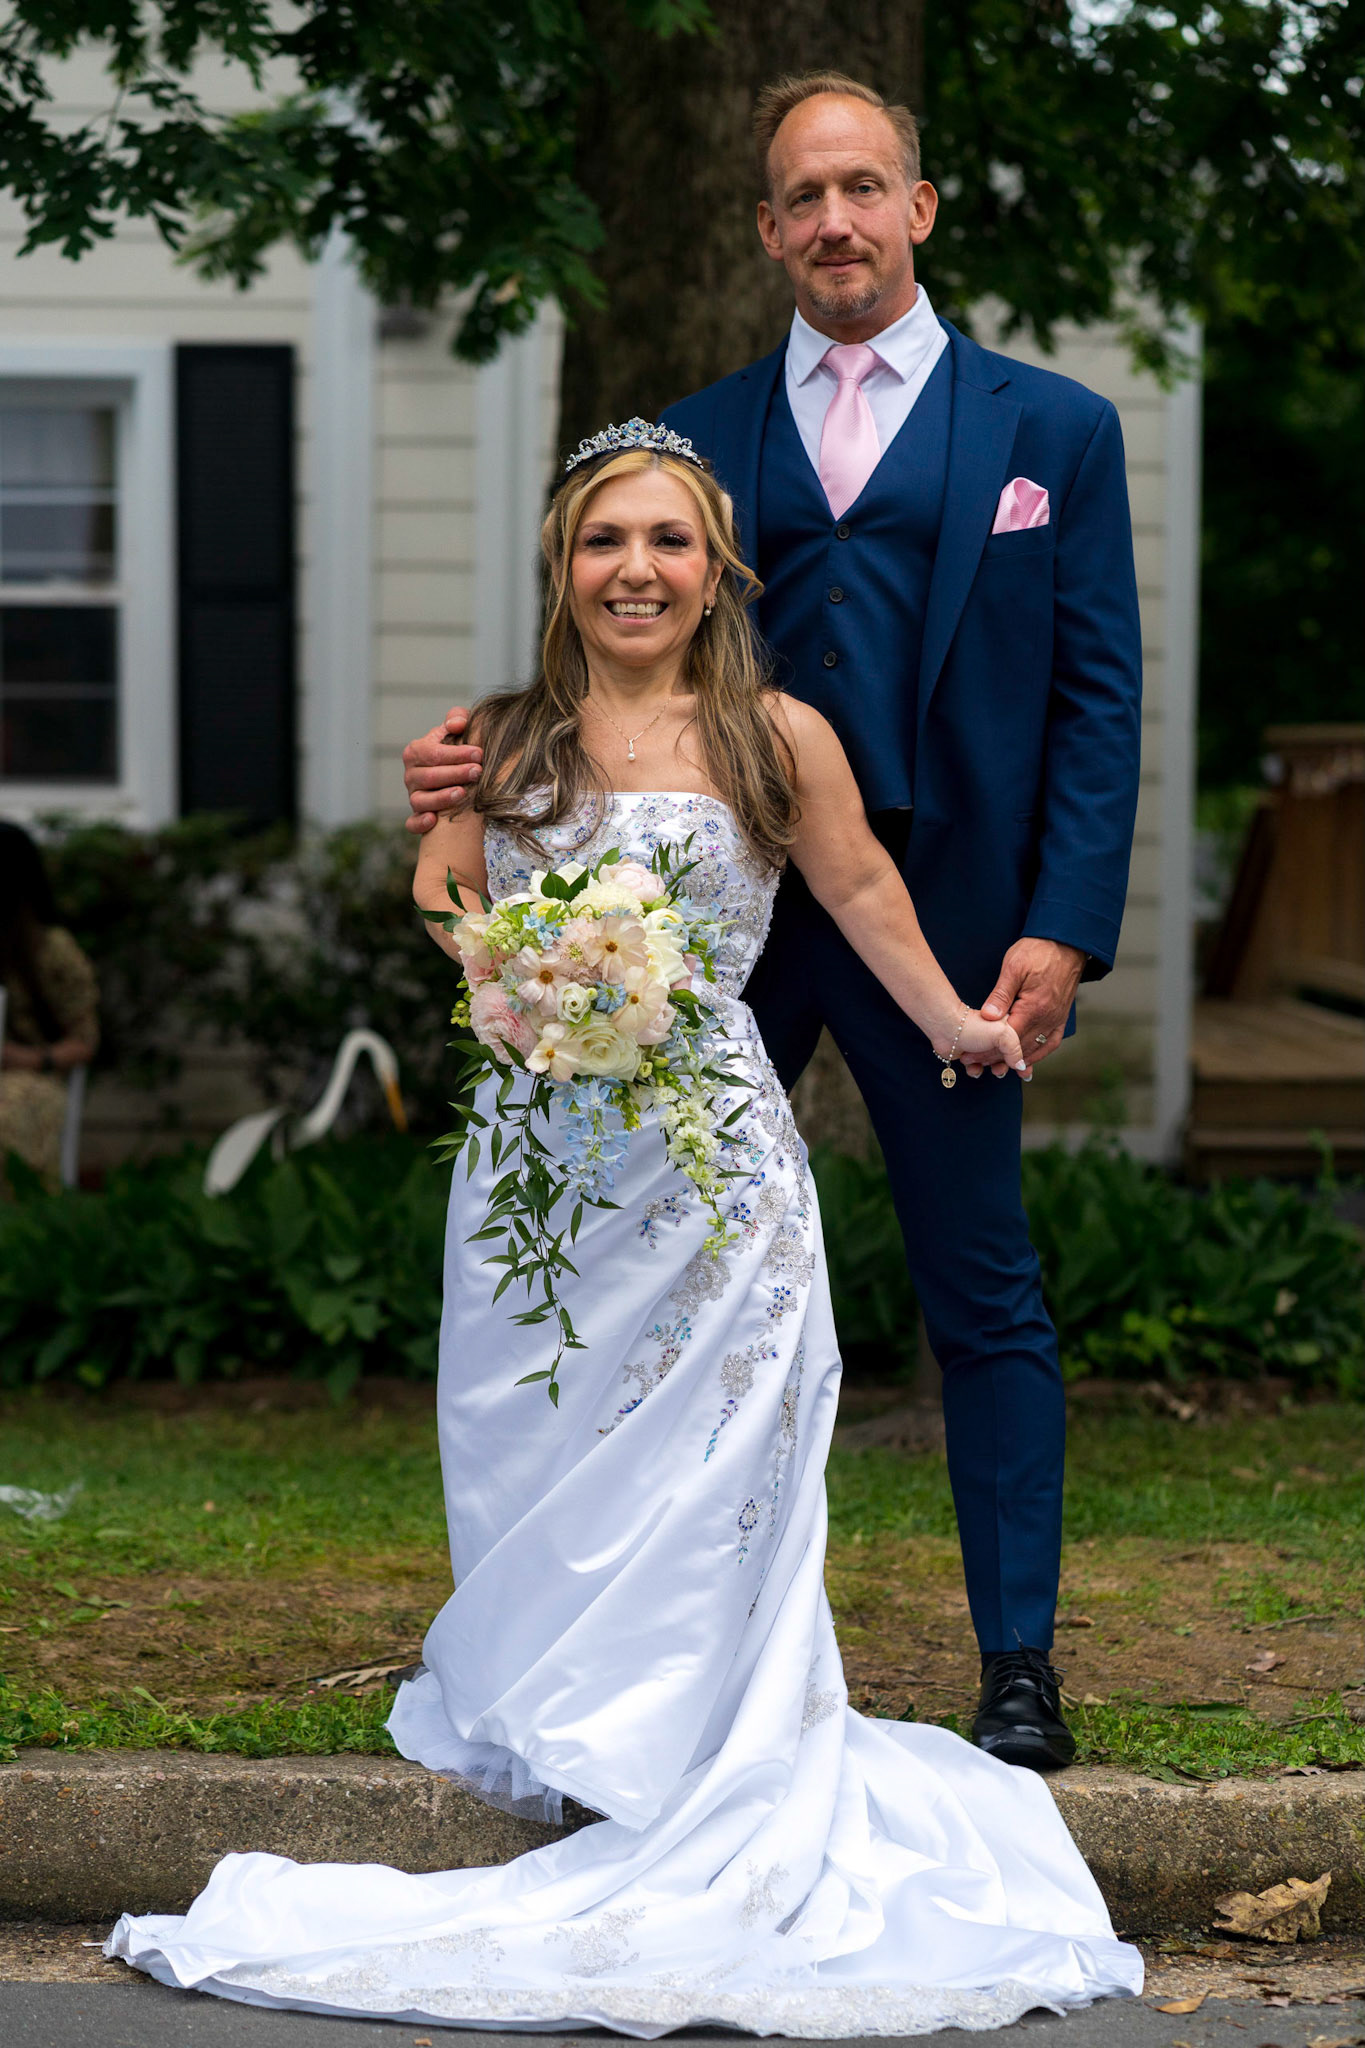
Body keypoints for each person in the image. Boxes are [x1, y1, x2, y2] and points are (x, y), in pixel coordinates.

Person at [108, 434, 1142, 2034]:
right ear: (562, 567)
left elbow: (863, 892)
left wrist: (956, 1021)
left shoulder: (776, 733)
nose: (635, 569)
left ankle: (699, 1722)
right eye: (604, 542)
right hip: (546, 1152)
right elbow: (443, 886)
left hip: (717, 1168)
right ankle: (564, 1696)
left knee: (715, 1451)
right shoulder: (507, 735)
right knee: (546, 1428)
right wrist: (509, 971)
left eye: (668, 540)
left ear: (716, 571)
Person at [403, 71, 1142, 1773]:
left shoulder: (1053, 431)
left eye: (862, 187)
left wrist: (1063, 925)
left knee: (983, 1284)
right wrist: (469, 770)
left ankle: (1018, 1659)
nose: (834, 221)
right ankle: (647, 1654)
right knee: (642, 1284)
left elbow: (1097, 696)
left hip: (932, 915)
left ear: (917, 208)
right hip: (703, 925)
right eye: (803, 196)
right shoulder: (697, 429)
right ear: (765, 228)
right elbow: (613, 637)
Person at [0, 821, 98, 1195]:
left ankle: (20, 1216)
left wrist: (28, 1058)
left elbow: (84, 1041)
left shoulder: (52, 950)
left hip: (30, 1082)